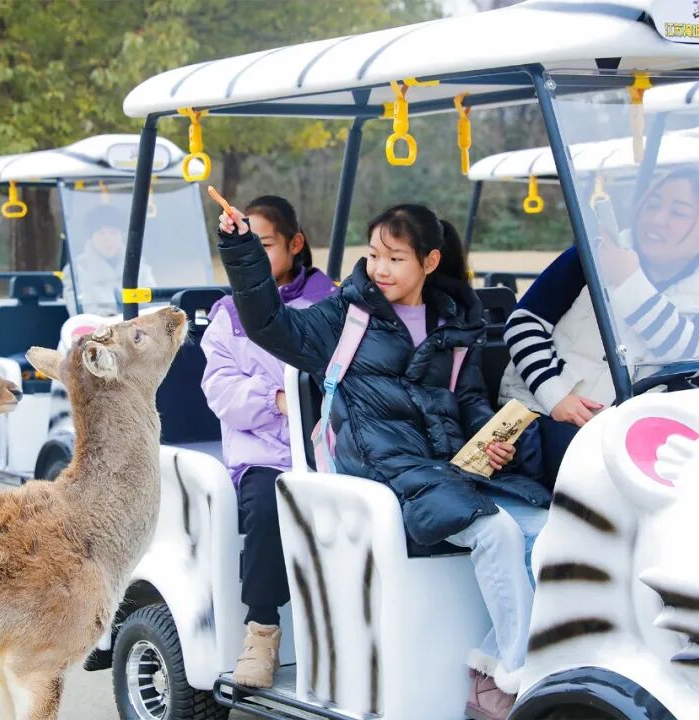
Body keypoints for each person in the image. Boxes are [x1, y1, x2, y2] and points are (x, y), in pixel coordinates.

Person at [217, 202, 549, 719]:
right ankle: (519, 684)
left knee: (547, 530)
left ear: (429, 261)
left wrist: (490, 441)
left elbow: (467, 399)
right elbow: (269, 324)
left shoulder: (454, 322)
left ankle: (495, 667)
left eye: (395, 258)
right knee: (497, 534)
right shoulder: (344, 316)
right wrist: (242, 251)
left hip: (446, 469)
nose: (380, 269)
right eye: (374, 255)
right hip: (381, 469)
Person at [499, 167, 699, 486]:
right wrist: (556, 396)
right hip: (536, 417)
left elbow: (691, 354)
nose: (658, 219)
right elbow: (523, 323)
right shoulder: (589, 256)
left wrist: (629, 281)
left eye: (678, 212)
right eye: (653, 204)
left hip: (618, 438)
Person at [199, 196, 337, 689]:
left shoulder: (331, 302)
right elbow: (220, 388)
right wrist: (278, 399)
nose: (257, 258)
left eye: (267, 246)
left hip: (328, 449)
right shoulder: (228, 315)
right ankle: (262, 630)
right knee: (266, 506)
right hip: (263, 452)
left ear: (296, 244)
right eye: (249, 249)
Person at [61, 204, 155, 316]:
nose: (108, 240)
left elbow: (153, 305)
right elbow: (80, 313)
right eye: (101, 233)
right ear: (91, 237)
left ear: (122, 236)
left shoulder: (140, 266)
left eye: (114, 233)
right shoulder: (75, 271)